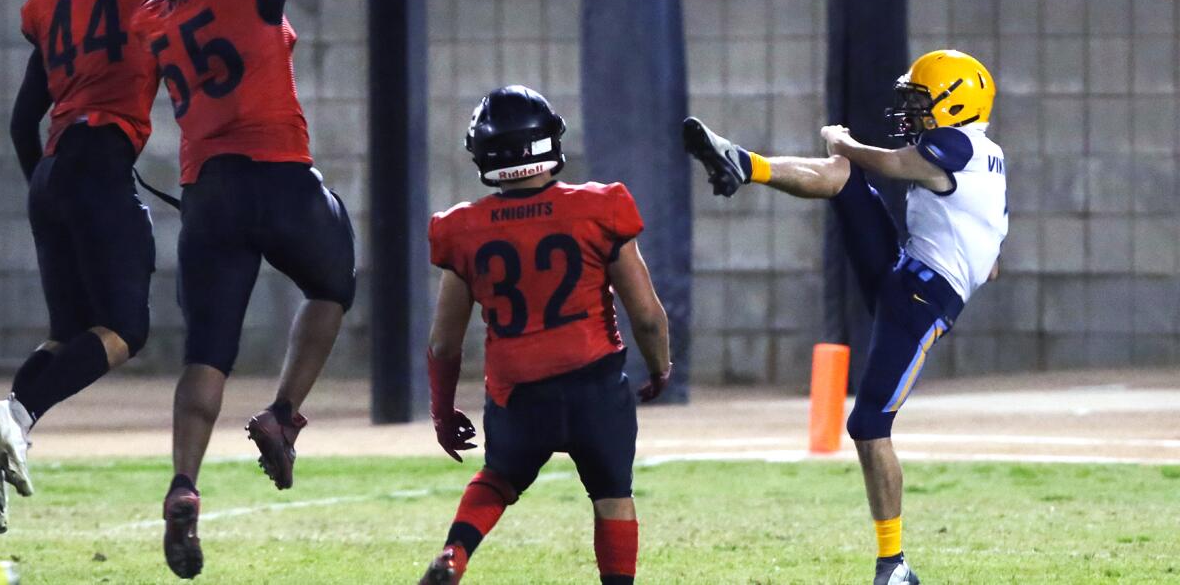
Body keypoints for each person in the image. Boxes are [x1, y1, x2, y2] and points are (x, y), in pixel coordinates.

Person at [128, 0, 355, 579]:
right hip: (281, 174)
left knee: (207, 352)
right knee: (332, 280)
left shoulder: (154, 19)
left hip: (209, 192)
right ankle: (284, 413)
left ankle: (185, 483)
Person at [683, 49, 1007, 585]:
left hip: (921, 300)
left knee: (868, 425)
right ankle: (744, 163)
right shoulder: (986, 157)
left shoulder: (959, 143)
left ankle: (894, 564)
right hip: (908, 273)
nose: (914, 112)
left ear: (957, 104)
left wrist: (844, 140)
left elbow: (897, 164)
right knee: (842, 177)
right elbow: (992, 265)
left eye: (923, 101)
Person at [418, 85, 672, 585]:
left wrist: (442, 410)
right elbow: (646, 314)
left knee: (497, 479)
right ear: (548, 143)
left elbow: (444, 342)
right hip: (594, 382)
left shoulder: (461, 228)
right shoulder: (602, 206)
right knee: (612, 494)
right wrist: (660, 365)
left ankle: (454, 554)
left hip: (518, 392)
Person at [0, 0, 159, 534]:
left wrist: (48, 194)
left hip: (53, 168)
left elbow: (19, 121)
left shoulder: (51, 2)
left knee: (66, 334)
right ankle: (16, 417)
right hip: (95, 158)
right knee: (125, 329)